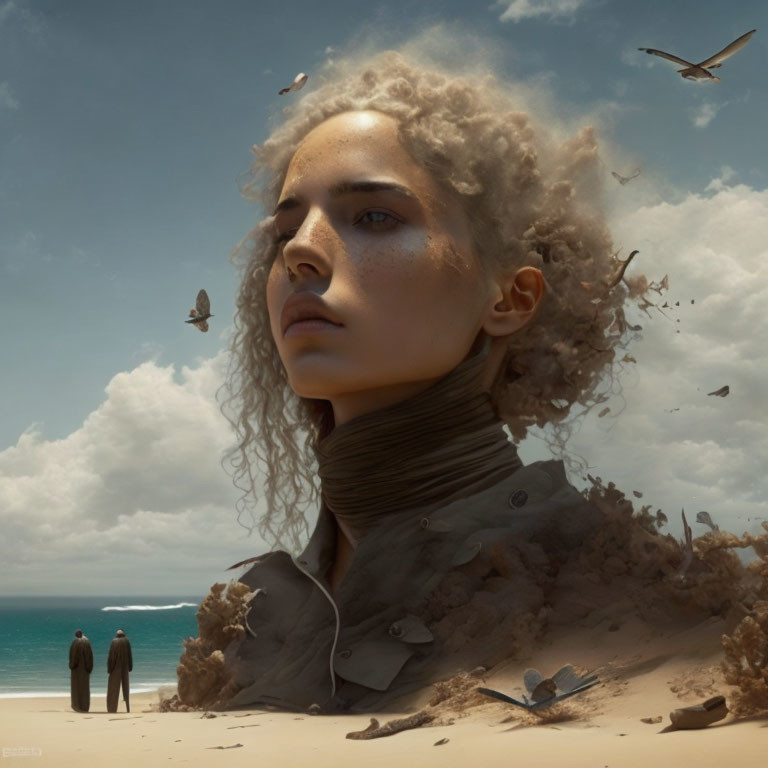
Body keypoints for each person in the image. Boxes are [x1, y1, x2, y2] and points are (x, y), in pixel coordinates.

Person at [183, 42, 655, 713]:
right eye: (285, 230)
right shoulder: (260, 614)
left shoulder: (609, 583)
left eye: (375, 216)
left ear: (511, 298)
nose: (300, 253)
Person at [107, 629, 133, 713]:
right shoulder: (127, 641)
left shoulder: (114, 642)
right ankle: (128, 708)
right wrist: (130, 667)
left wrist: (109, 668)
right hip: (125, 667)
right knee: (126, 688)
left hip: (115, 668)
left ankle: (112, 709)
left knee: (113, 689)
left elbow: (111, 656)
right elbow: (129, 655)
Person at [69, 629, 93, 712]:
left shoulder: (75, 643)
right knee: (85, 688)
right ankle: (85, 707)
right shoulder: (87, 642)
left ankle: (77, 706)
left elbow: (73, 657)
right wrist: (89, 668)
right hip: (85, 669)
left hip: (77, 669)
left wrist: (72, 666)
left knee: (76, 687)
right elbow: (90, 656)